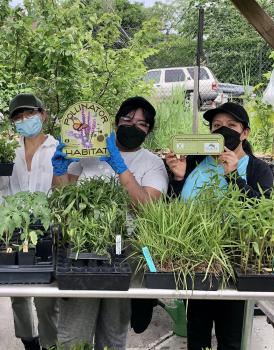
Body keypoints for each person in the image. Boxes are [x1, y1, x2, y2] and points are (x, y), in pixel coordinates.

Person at [52, 97, 169, 350]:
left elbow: (147, 207)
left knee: (113, 332)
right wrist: (59, 169)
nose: (132, 126)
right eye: (127, 119)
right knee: (73, 333)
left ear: (149, 130)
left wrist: (119, 165)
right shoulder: (87, 153)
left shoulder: (152, 163)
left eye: (141, 123)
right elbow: (63, 196)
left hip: (125, 252)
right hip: (81, 248)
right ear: (114, 122)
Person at [165, 102, 274, 350]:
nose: (224, 130)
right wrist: (179, 178)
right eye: (217, 126)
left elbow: (262, 215)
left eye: (231, 125)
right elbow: (172, 207)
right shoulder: (195, 161)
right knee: (197, 334)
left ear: (244, 132)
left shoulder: (258, 169)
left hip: (236, 265)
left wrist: (233, 175)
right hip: (195, 263)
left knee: (231, 339)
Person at [0, 93, 59, 350]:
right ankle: (28, 341)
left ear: (43, 114)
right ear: (12, 122)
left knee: (46, 299)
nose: (25, 120)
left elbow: (64, 188)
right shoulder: (8, 151)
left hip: (46, 230)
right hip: (11, 230)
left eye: (30, 114)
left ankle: (50, 344)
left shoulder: (57, 149)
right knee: (17, 293)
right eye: (18, 116)